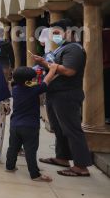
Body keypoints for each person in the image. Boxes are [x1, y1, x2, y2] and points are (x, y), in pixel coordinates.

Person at [33, 19, 93, 177]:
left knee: (72, 129)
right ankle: (62, 157)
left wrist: (48, 65)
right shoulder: (62, 48)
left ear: (69, 32)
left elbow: (69, 71)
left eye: (57, 33)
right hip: (56, 93)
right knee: (59, 128)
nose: (54, 36)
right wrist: (44, 63)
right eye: (53, 33)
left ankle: (81, 166)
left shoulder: (74, 49)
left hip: (67, 94)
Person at [6, 65, 58, 182]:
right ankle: (35, 175)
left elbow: (31, 83)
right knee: (30, 151)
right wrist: (53, 69)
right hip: (30, 127)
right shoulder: (34, 89)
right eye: (34, 79)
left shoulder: (15, 89)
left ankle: (10, 166)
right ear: (28, 81)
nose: (35, 81)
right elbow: (46, 81)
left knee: (13, 148)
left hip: (15, 125)